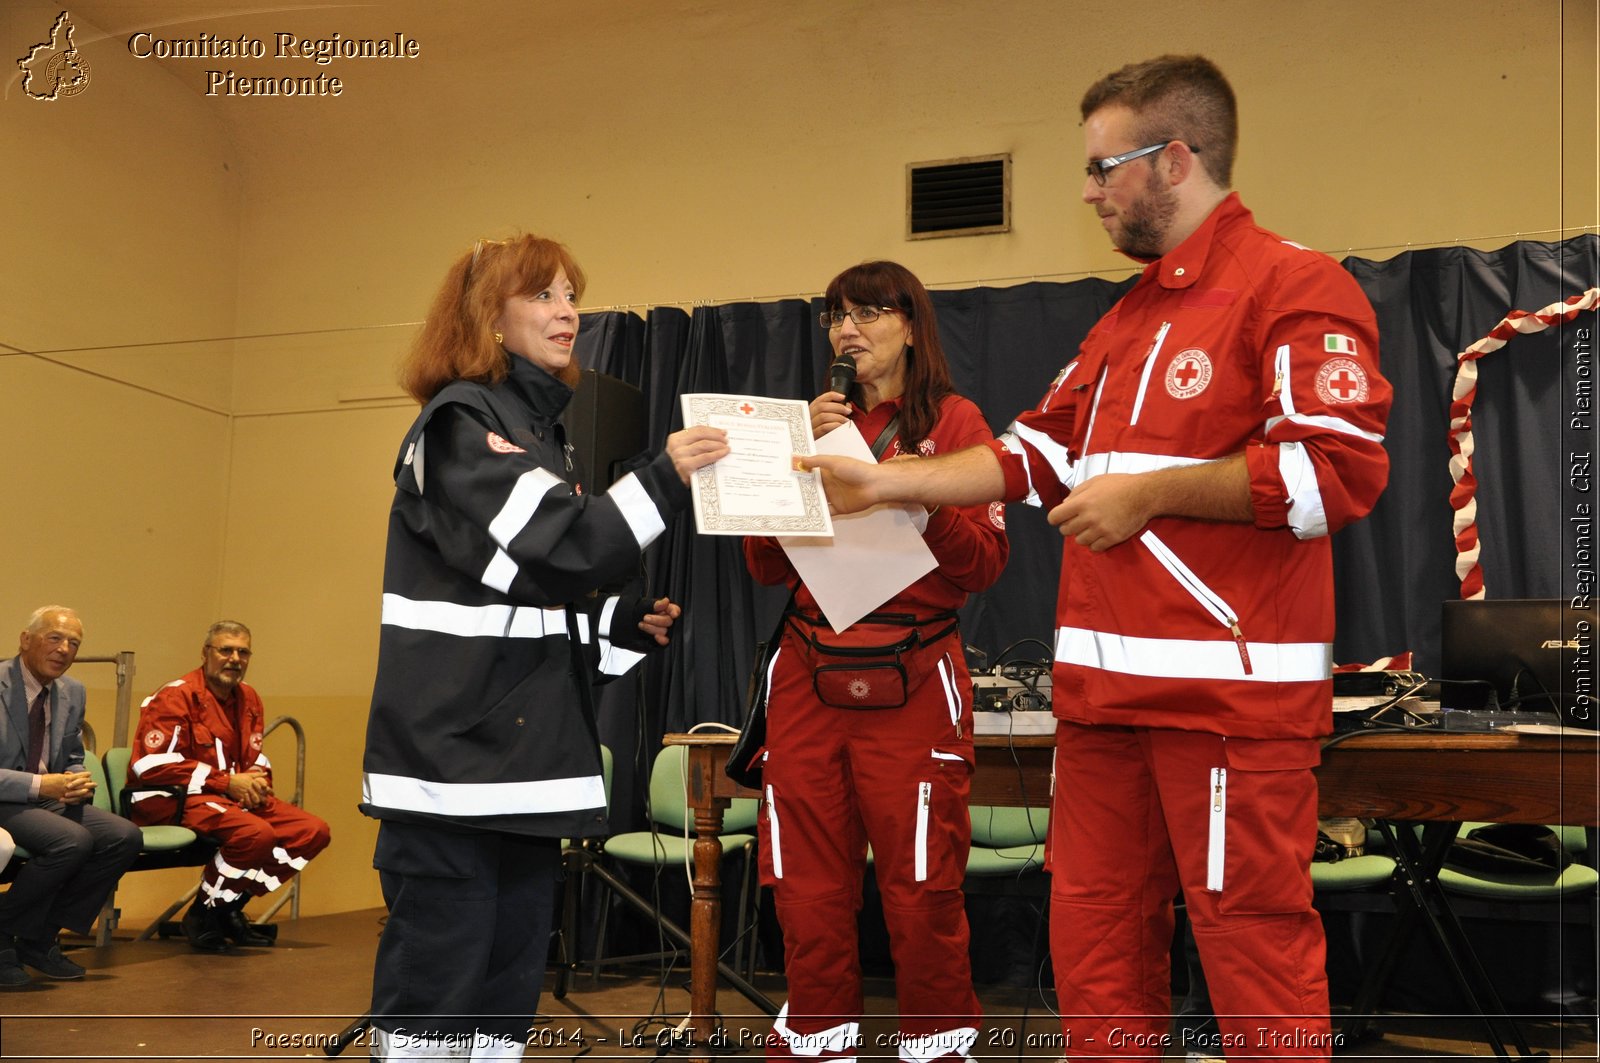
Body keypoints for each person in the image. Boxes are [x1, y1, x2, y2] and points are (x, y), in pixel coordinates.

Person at [804, 56, 1392, 1059]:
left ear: (1172, 160)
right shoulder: (1122, 321)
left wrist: (1149, 493)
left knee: (1254, 961)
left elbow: (1331, 475)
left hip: (1224, 714)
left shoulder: (1296, 285)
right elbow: (1032, 455)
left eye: (1099, 169)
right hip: (1099, 707)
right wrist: (887, 480)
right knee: (1095, 952)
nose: (1085, 193)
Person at [361, 234, 728, 1062]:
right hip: (452, 766)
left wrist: (615, 628)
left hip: (519, 767)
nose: (568, 312)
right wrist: (665, 475)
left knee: (504, 990)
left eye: (572, 295)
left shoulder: (537, 430)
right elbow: (565, 548)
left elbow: (525, 594)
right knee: (436, 993)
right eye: (544, 296)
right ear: (490, 316)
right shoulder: (461, 421)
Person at [745, 261, 1008, 1062]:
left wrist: (914, 493)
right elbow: (764, 564)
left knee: (923, 884)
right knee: (806, 887)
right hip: (808, 672)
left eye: (865, 312)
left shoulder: (955, 421)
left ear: (910, 324)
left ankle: (939, 1044)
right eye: (834, 316)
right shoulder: (806, 423)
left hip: (916, 675)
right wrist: (801, 453)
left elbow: (985, 565)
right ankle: (819, 1041)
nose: (846, 330)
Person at [126, 621, 331, 951]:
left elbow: (253, 755)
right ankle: (204, 913)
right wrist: (226, 782)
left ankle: (228, 907)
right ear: (206, 653)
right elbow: (148, 765)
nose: (234, 658)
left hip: (226, 797)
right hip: (171, 798)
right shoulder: (176, 696)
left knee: (311, 831)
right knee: (255, 834)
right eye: (225, 650)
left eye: (243, 651)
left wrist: (258, 781)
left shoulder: (249, 698)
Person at [0, 606, 142, 988]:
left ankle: (40, 937)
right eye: (55, 638)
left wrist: (78, 779)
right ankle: (2, 938)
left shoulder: (72, 692)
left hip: (50, 797)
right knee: (71, 841)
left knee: (124, 836)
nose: (64, 649)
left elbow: (73, 757)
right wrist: (42, 786)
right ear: (25, 640)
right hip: (6, 800)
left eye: (73, 643)